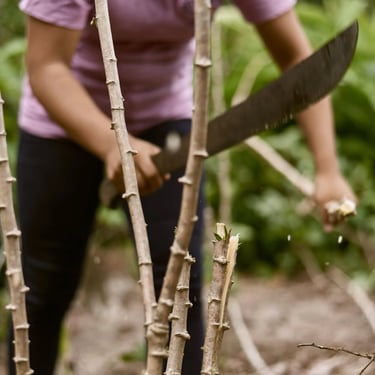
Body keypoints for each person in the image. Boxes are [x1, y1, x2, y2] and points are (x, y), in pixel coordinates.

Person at [8, 0, 357, 374]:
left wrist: (328, 171)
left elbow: (296, 62)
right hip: (61, 122)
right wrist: (113, 143)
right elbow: (47, 67)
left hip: (166, 120)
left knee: (178, 296)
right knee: (41, 290)